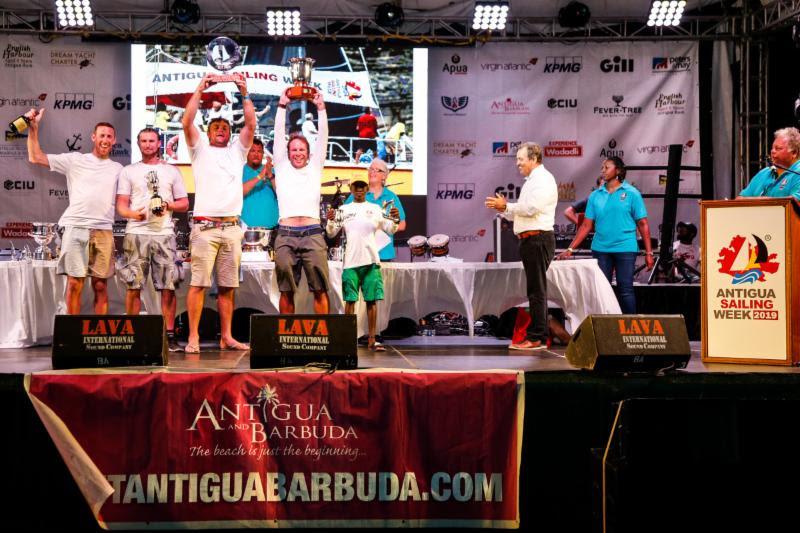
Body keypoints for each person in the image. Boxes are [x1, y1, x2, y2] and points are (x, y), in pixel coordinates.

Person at [181, 72, 256, 353]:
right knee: (198, 284)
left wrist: (244, 91)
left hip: (231, 228)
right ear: (209, 132)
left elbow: (251, 123)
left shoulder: (238, 151)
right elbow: (187, 121)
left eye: (225, 127)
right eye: (216, 127)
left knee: (227, 287)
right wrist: (200, 87)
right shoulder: (199, 149)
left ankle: (227, 336)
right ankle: (193, 337)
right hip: (204, 228)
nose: (221, 129)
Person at [26, 109, 122, 315]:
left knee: (101, 286)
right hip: (76, 228)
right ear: (93, 137)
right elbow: (35, 157)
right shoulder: (75, 160)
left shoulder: (118, 169)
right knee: (74, 284)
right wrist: (33, 129)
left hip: (104, 231)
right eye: (102, 135)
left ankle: (99, 335)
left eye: (109, 137)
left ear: (114, 141)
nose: (105, 140)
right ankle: (73, 336)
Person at [116, 128, 189, 351]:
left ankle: (168, 335)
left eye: (152, 141)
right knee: (133, 285)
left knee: (168, 287)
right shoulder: (129, 171)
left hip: (164, 233)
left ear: (159, 143)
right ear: (138, 144)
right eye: (144, 141)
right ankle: (132, 332)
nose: (148, 144)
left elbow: (184, 204)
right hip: (136, 232)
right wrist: (133, 214)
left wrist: (168, 206)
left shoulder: (172, 171)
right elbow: (121, 206)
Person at [557, 157, 655, 314]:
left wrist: (649, 252)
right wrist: (570, 249)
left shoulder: (632, 193)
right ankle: (605, 329)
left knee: (626, 289)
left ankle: (629, 329)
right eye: (602, 167)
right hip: (601, 249)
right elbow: (586, 225)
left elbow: (643, 224)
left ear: (618, 171)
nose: (602, 170)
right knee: (603, 291)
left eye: (606, 167)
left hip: (625, 248)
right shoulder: (595, 196)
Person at [485, 142, 558, 351]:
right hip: (530, 240)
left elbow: (532, 208)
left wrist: (507, 206)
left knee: (537, 290)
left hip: (538, 239)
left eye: (520, 159)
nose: (517, 163)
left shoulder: (543, 179)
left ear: (533, 159)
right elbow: (522, 211)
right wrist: (504, 209)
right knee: (535, 290)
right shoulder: (532, 181)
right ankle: (539, 336)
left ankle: (536, 338)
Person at [273, 88, 330, 314]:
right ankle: (286, 338)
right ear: (287, 152)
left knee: (320, 289)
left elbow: (323, 137)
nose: (297, 153)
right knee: (286, 290)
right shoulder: (282, 166)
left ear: (308, 152)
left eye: (302, 149)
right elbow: (278, 135)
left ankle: (324, 338)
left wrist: (321, 109)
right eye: (293, 149)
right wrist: (281, 106)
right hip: (286, 234)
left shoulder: (315, 167)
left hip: (313, 234)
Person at [326, 179, 400, 351]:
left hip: (371, 262)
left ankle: (372, 338)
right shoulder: (344, 209)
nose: (359, 191)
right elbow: (331, 233)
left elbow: (390, 229)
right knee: (350, 301)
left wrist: (395, 219)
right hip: (350, 262)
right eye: (356, 188)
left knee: (371, 301)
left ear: (367, 189)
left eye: (362, 188)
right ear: (351, 189)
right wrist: (330, 221)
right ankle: (347, 338)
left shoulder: (374, 209)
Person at [344, 158, 406, 261]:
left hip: (384, 254)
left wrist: (383, 226)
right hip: (360, 254)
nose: (372, 172)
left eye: (377, 170)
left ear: (384, 176)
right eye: (371, 169)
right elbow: (343, 219)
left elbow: (402, 225)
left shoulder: (392, 197)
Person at [738, 127, 800, 199]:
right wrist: (758, 201)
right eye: (772, 148)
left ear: (794, 152)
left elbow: (795, 201)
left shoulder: (797, 173)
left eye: (778, 148)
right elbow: (739, 199)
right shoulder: (764, 173)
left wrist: (766, 201)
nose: (772, 151)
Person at [241, 138, 279, 230]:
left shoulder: (272, 171)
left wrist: (270, 176)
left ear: (263, 154)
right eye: (252, 151)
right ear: (246, 153)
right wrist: (260, 176)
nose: (256, 154)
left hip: (273, 228)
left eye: (259, 151)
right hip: (246, 229)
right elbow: (237, 193)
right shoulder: (239, 171)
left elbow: (282, 195)